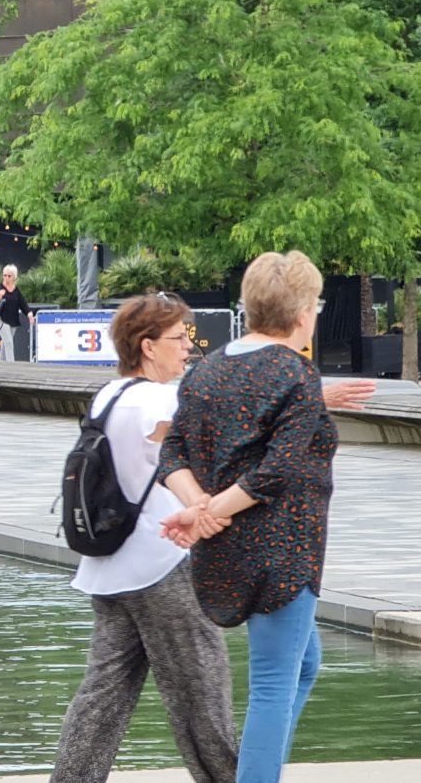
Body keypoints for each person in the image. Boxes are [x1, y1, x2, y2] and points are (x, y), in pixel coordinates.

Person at [158, 251, 351, 783]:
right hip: (283, 555)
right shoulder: (295, 372)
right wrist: (205, 512)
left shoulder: (208, 368)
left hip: (222, 552)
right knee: (272, 684)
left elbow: (171, 453)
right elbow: (276, 473)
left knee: (304, 665)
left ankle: (257, 770)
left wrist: (196, 508)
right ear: (303, 313)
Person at [50, 291, 237, 783]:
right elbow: (199, 449)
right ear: (148, 345)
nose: (188, 348)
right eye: (179, 338)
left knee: (102, 696)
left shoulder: (109, 395)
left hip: (110, 567)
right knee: (202, 692)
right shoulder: (157, 400)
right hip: (162, 564)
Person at [0, 263, 34, 361]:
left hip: (13, 320)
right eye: (5, 275)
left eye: (9, 276)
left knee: (5, 343)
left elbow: (23, 303)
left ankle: (0, 364)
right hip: (1, 319)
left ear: (14, 278)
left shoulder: (16, 290)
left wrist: (29, 314)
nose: (6, 278)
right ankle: (11, 367)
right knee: (9, 343)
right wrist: (0, 297)